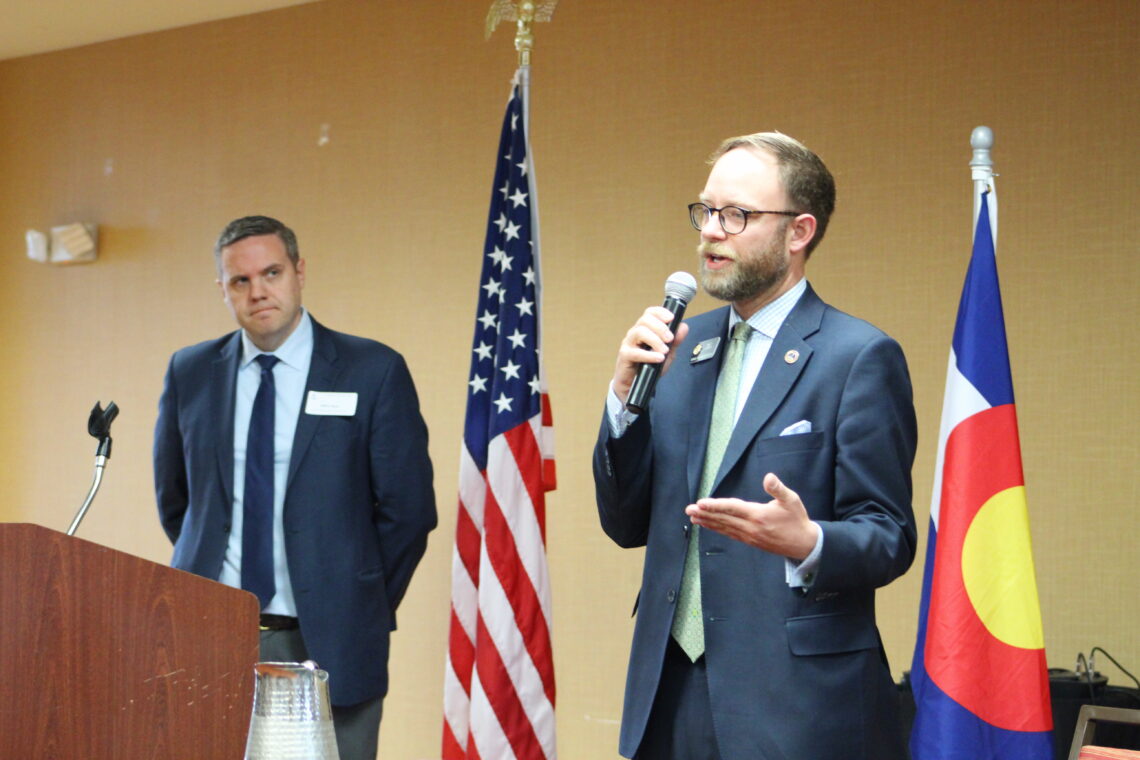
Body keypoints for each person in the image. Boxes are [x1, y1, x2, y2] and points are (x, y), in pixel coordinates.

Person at [593, 133, 918, 759]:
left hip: (794, 707)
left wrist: (811, 542)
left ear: (798, 232)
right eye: (705, 211)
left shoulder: (857, 357)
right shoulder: (682, 346)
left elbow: (888, 536)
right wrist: (621, 401)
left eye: (736, 214)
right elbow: (626, 522)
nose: (711, 232)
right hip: (668, 692)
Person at [154, 215, 436, 760]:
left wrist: (359, 597)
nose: (258, 291)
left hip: (331, 637)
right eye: (240, 281)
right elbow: (178, 501)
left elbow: (408, 511)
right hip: (208, 630)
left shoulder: (370, 370)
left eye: (272, 272)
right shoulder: (190, 371)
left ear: (299, 272)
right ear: (223, 289)